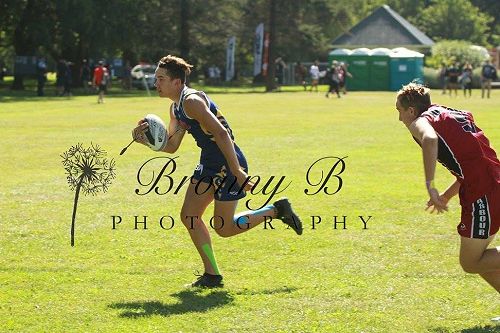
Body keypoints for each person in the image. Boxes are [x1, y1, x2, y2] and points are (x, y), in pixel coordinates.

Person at [132, 55, 303, 288]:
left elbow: (222, 134)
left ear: (177, 82)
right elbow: (171, 146)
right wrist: (145, 141)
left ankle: (275, 210)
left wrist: (237, 171)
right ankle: (212, 275)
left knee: (224, 228)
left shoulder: (191, 101)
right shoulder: (176, 108)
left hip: (227, 163)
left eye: (161, 79)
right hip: (209, 162)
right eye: (156, 79)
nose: (156, 83)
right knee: (189, 216)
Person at [395, 82, 500, 294]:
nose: (399, 118)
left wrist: (430, 185)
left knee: (471, 262)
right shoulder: (447, 112)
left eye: (399, 111)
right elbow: (471, 161)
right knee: (481, 259)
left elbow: (430, 139)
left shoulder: (420, 121)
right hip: (490, 182)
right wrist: (446, 195)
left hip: (484, 192)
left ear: (411, 110)